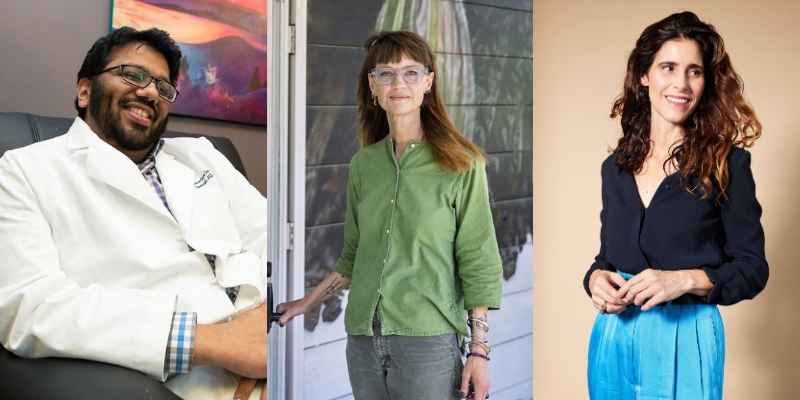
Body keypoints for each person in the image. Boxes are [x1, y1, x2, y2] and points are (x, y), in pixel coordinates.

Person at [0, 27, 267, 400]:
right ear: (84, 90)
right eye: (133, 74)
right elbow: (29, 306)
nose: (150, 92)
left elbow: (276, 241)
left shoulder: (202, 155)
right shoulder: (24, 169)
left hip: (270, 339)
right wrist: (218, 343)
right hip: (180, 377)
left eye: (163, 86)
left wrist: (268, 325)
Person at [277, 31, 503, 400]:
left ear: (428, 82)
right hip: (363, 343)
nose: (399, 83)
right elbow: (353, 257)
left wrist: (479, 351)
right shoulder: (363, 165)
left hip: (427, 344)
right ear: (373, 86)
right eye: (386, 73)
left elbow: (479, 258)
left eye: (411, 72)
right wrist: (306, 302)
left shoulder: (463, 164)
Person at [584, 11, 768, 400]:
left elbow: (753, 269)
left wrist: (683, 280)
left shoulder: (729, 164)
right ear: (644, 75)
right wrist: (595, 279)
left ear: (706, 81)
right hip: (612, 336)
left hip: (687, 334)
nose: (681, 83)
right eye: (668, 67)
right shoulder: (614, 168)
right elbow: (607, 258)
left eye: (694, 71)